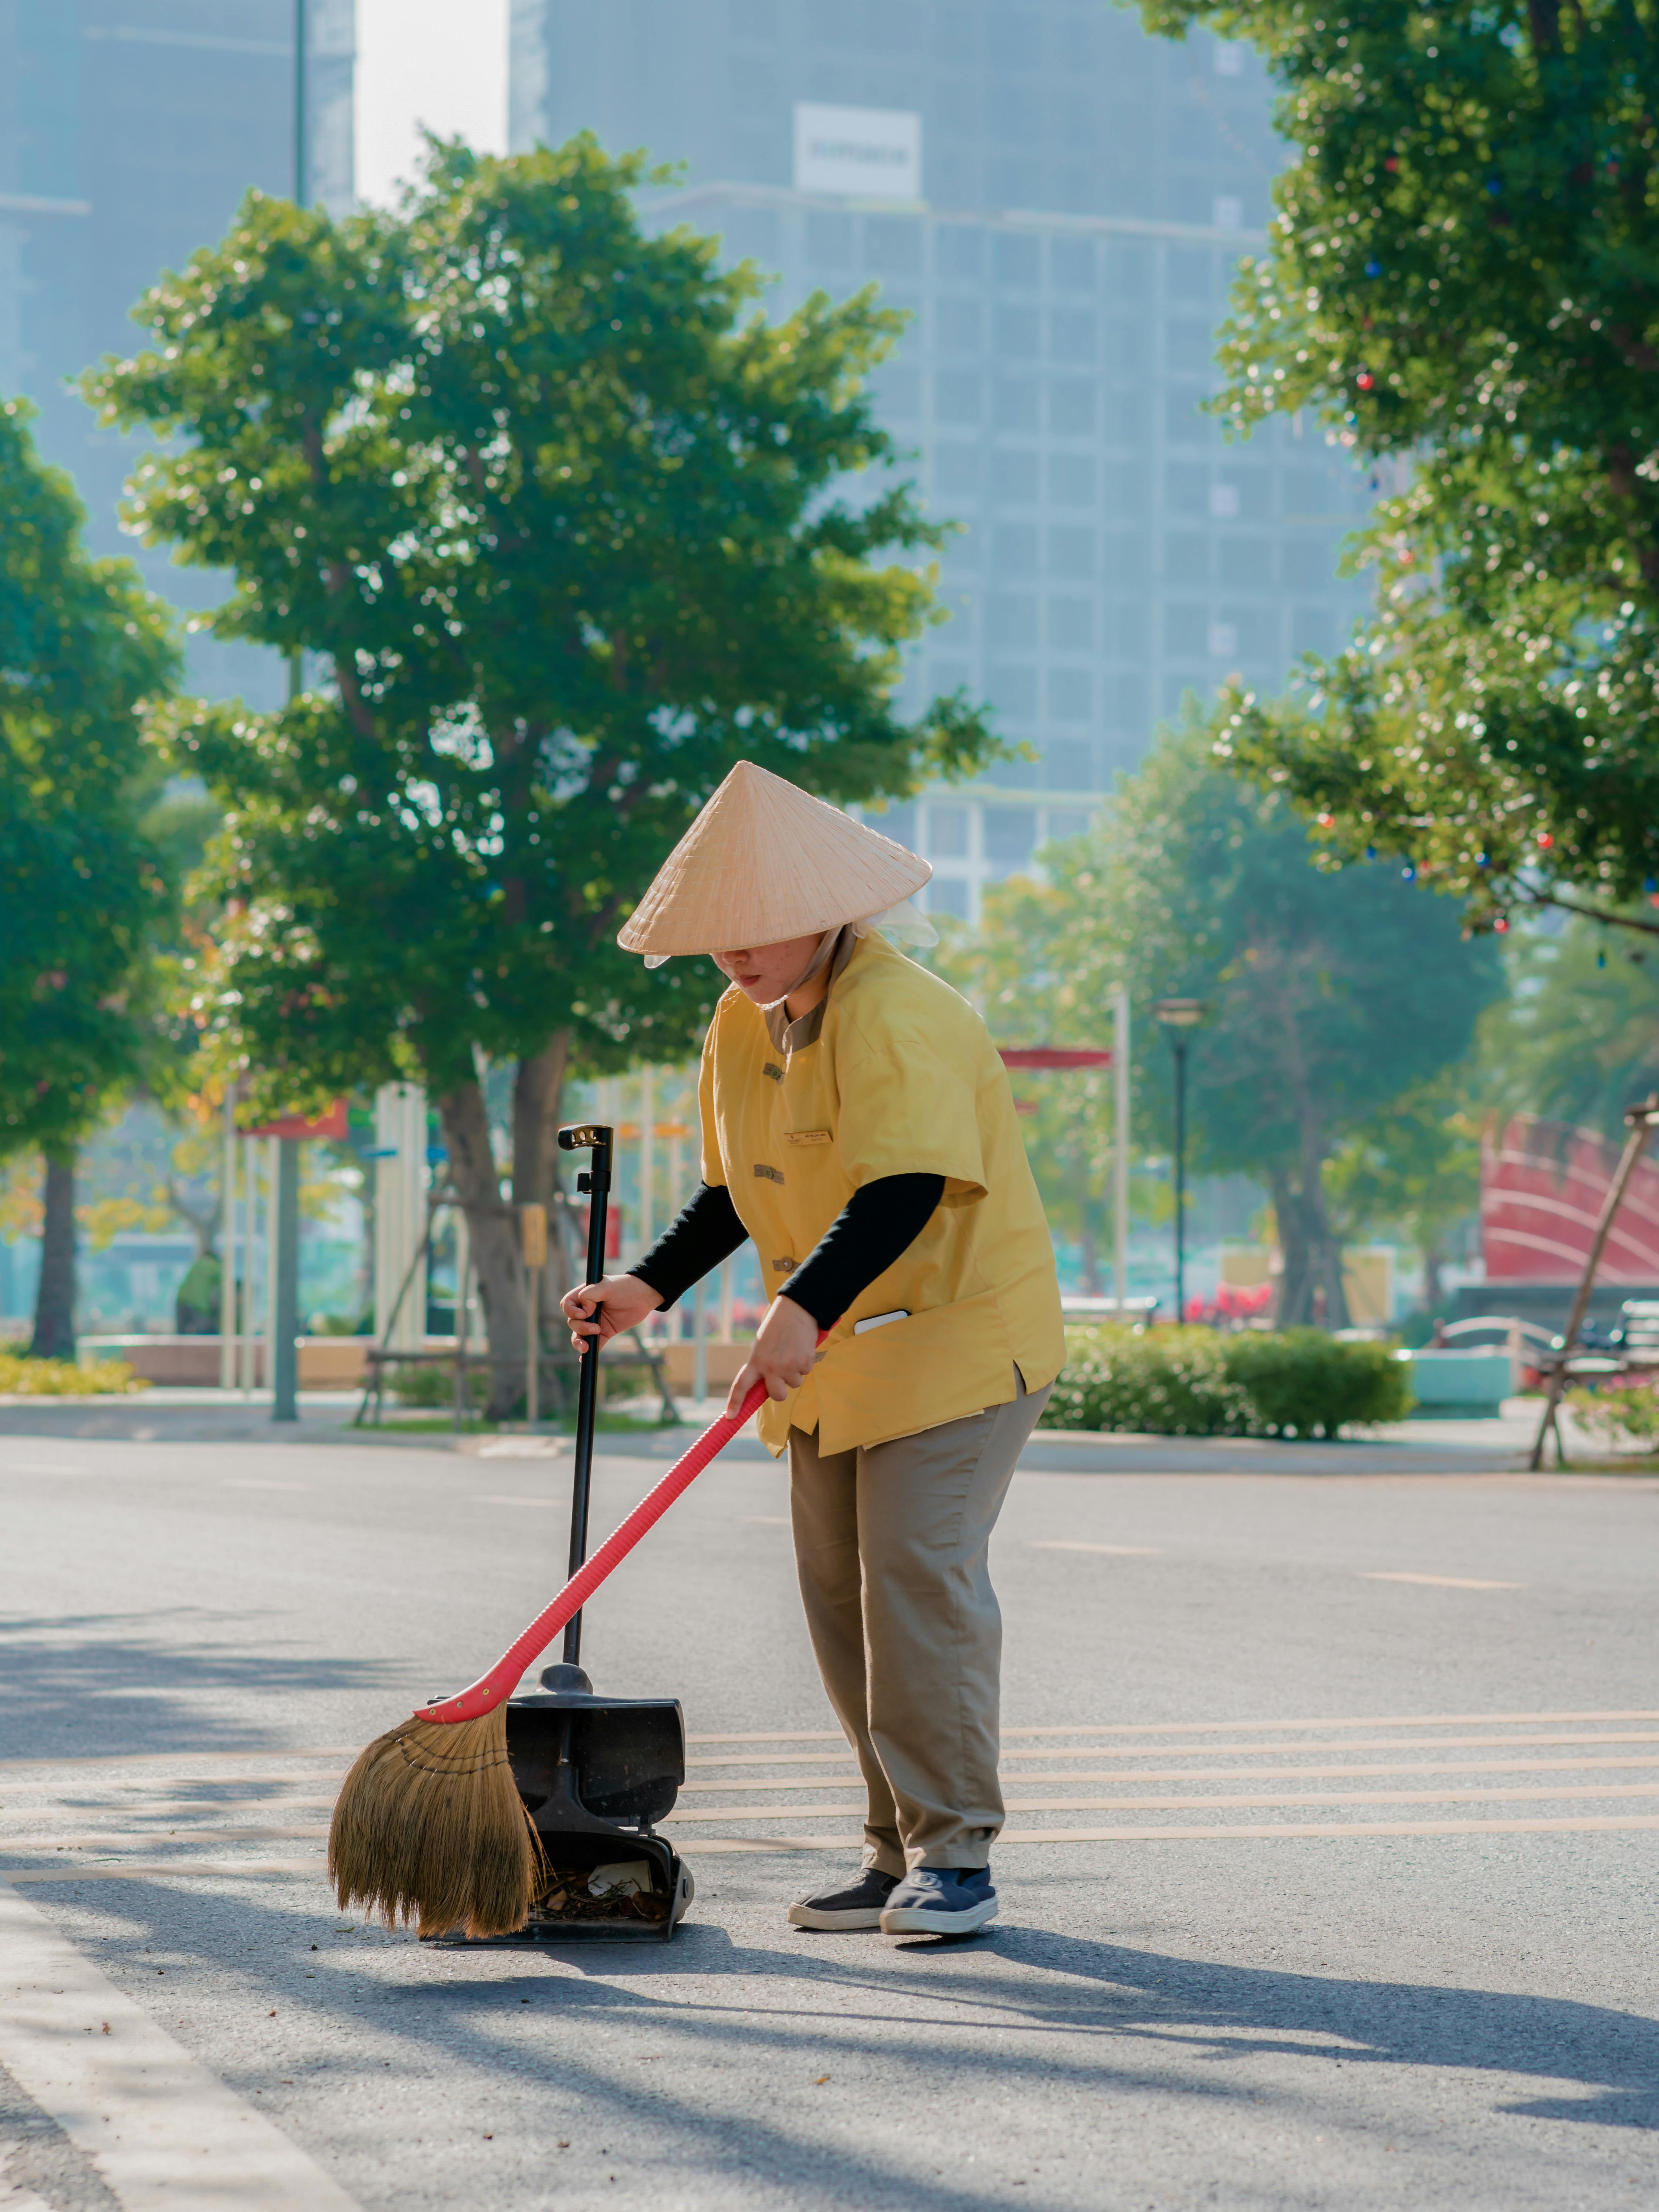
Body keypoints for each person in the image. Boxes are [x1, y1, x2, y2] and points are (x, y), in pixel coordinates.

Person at [560, 760, 1064, 1937]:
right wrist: (647, 1284)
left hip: (952, 1338)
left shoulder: (902, 1011)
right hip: (843, 1351)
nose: (738, 953)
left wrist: (801, 1311)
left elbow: (903, 1189)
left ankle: (959, 1859)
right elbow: (740, 1187)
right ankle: (895, 1854)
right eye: (720, 933)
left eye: (763, 928)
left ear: (832, 909)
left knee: (913, 1583)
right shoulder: (742, 1021)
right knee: (837, 1599)